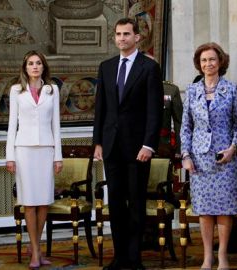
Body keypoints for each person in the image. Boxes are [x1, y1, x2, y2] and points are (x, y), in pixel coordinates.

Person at [92, 18, 163, 270]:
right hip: (111, 146)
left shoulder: (149, 68)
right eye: (118, 34)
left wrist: (149, 145)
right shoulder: (106, 67)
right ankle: (119, 256)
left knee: (136, 204)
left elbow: (155, 110)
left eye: (126, 34)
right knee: (117, 205)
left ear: (137, 37)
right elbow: (101, 108)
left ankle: (134, 258)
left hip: (137, 149)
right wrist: (97, 142)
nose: (122, 38)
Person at [181, 42, 237, 269]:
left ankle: (222, 255)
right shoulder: (191, 91)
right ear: (199, 65)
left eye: (212, 59)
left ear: (220, 62)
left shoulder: (231, 89)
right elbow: (185, 127)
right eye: (203, 60)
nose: (208, 64)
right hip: (199, 159)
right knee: (205, 209)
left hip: (225, 159)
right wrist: (186, 155)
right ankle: (208, 255)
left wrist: (233, 148)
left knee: (224, 209)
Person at [5, 50, 63, 269]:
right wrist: (10, 156)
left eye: (38, 63)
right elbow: (12, 126)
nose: (35, 67)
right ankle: (36, 252)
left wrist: (58, 156)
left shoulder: (52, 90)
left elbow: (56, 126)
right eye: (31, 63)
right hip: (24, 152)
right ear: (25, 67)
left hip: (46, 151)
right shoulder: (16, 91)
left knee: (44, 203)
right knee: (29, 203)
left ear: (43, 67)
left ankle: (35, 247)